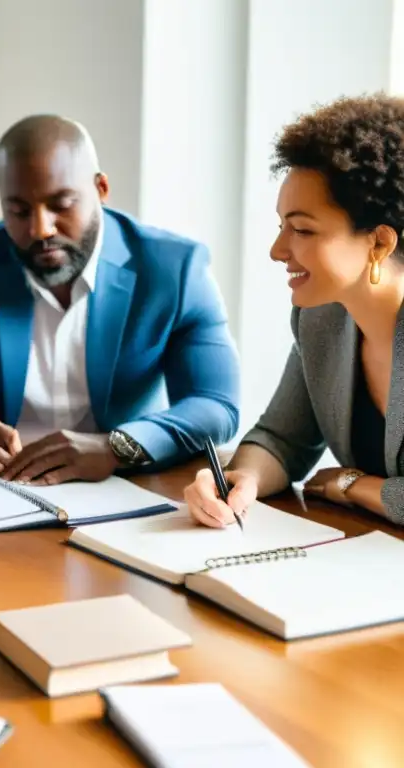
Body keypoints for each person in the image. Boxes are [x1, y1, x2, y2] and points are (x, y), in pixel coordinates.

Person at [0, 115, 240, 483]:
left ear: (101, 190)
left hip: (125, 487)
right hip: (1, 488)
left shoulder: (173, 269)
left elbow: (216, 404)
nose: (40, 228)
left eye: (61, 204)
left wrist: (116, 447)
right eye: (19, 211)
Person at [185, 94, 404, 528]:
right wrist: (241, 478)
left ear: (379, 242)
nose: (277, 250)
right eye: (281, 226)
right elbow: (282, 439)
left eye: (303, 229)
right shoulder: (321, 319)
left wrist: (353, 485)